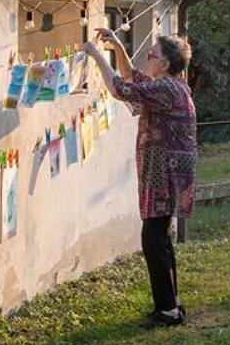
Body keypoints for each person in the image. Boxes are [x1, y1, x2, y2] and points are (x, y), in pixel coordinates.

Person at [83, 28, 196, 326]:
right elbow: (132, 76)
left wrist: (96, 57)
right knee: (160, 238)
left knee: (153, 238)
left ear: (166, 63)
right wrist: (118, 47)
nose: (147, 57)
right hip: (164, 169)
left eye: (153, 54)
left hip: (165, 171)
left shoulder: (168, 89)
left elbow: (120, 88)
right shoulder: (168, 86)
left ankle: (168, 310)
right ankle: (172, 304)